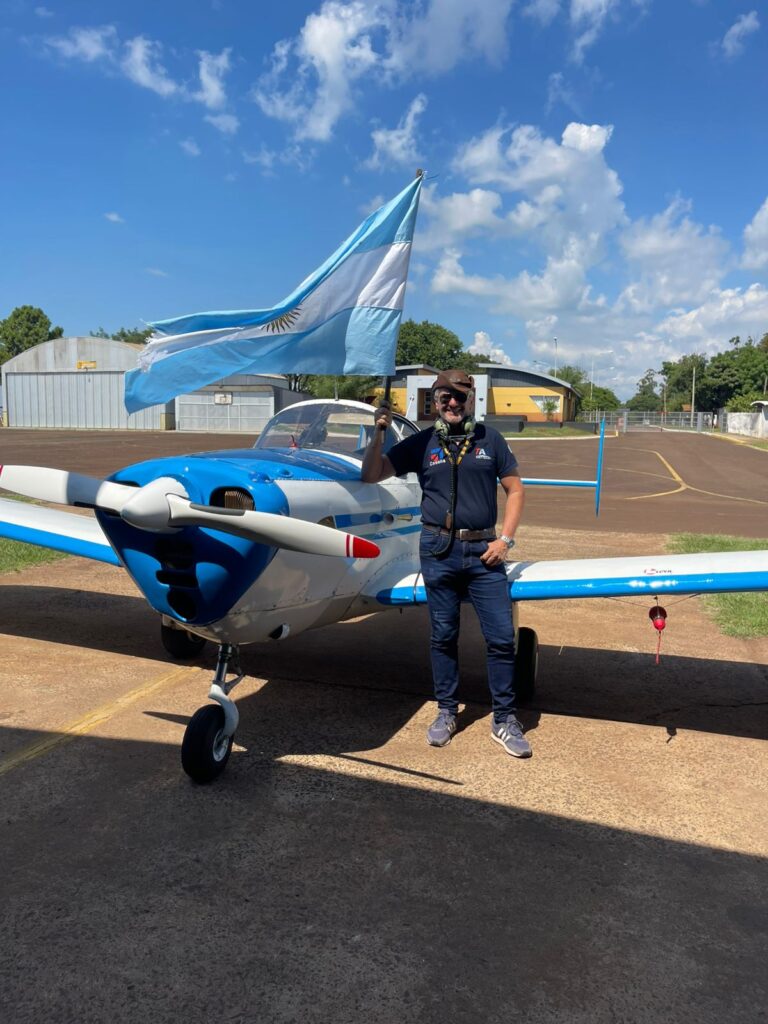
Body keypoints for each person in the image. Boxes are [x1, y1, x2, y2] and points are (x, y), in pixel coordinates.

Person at [361, 369, 530, 758]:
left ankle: (504, 719)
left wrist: (505, 540)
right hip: (438, 551)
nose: (452, 403)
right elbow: (371, 474)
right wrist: (379, 433)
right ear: (434, 401)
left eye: (459, 397)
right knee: (442, 636)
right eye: (444, 397)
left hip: (485, 551)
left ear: (471, 399)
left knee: (501, 637)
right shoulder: (421, 443)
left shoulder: (491, 439)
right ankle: (446, 711)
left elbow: (516, 489)